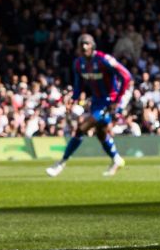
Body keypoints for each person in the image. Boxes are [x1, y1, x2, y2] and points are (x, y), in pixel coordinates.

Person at [45, 34, 132, 177]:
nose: (84, 47)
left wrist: (117, 99)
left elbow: (126, 76)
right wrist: (74, 98)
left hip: (109, 102)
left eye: (87, 43)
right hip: (96, 102)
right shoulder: (78, 64)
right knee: (101, 133)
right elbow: (78, 85)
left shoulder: (104, 60)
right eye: (81, 44)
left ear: (93, 45)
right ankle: (117, 159)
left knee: (81, 128)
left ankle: (61, 163)